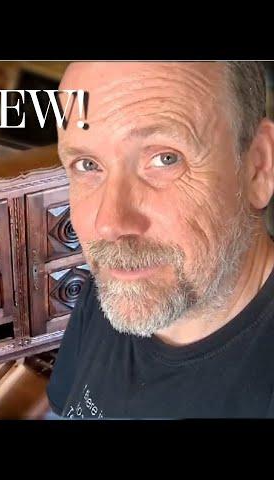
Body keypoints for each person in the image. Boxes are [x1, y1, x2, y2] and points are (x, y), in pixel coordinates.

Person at [46, 61, 274, 418]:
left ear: (259, 166)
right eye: (88, 165)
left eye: (165, 159)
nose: (109, 224)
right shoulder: (118, 284)